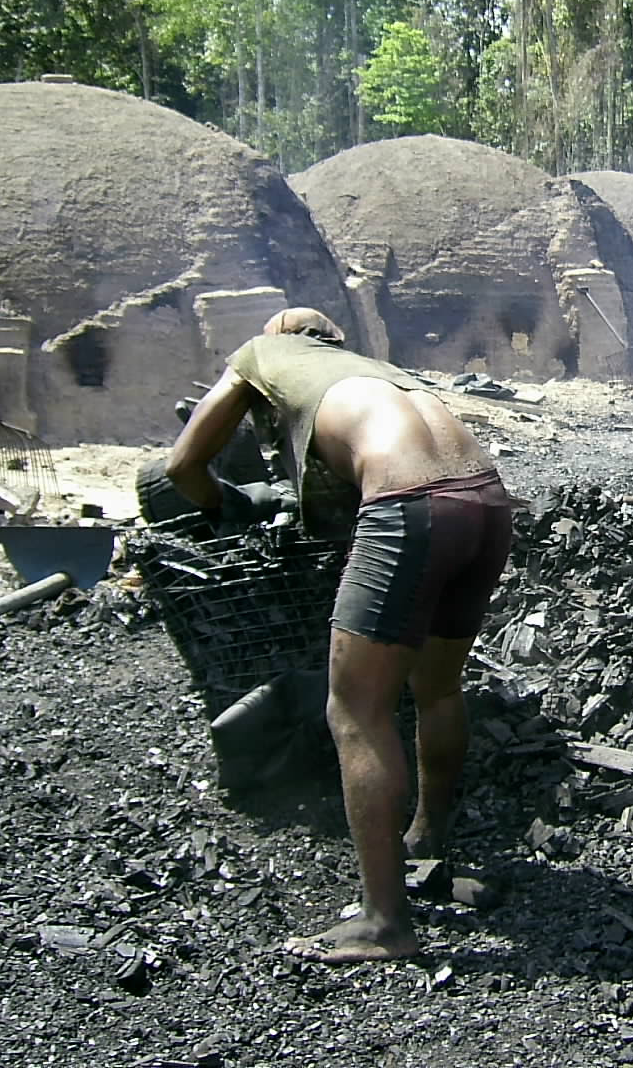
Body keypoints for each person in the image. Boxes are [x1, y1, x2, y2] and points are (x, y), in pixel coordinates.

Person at [167, 306, 514, 963]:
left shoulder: (260, 357)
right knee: (437, 690)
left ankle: (385, 922)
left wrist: (229, 507)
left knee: (355, 709)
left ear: (279, 337)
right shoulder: (371, 369)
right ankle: (427, 841)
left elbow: (183, 464)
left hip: (411, 504)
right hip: (486, 500)